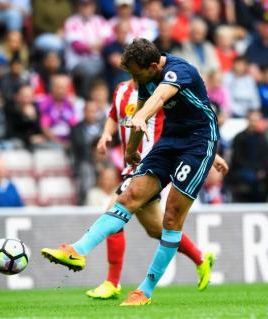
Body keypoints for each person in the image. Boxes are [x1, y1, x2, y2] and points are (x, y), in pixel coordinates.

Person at [41, 39, 228, 306]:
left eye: (136, 74)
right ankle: (77, 250)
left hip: (198, 142)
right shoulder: (144, 77)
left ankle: (145, 291)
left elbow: (159, 97)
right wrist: (131, 149)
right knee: (128, 197)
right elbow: (141, 108)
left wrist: (141, 118)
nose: (133, 79)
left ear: (153, 66)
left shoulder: (179, 70)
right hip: (170, 140)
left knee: (171, 218)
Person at [83, 79, 220, 299]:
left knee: (113, 211)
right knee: (157, 230)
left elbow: (186, 128)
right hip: (131, 166)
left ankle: (112, 282)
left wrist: (212, 154)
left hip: (151, 165)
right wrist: (106, 134)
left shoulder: (159, 94)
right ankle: (201, 259)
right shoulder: (120, 90)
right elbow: (112, 116)